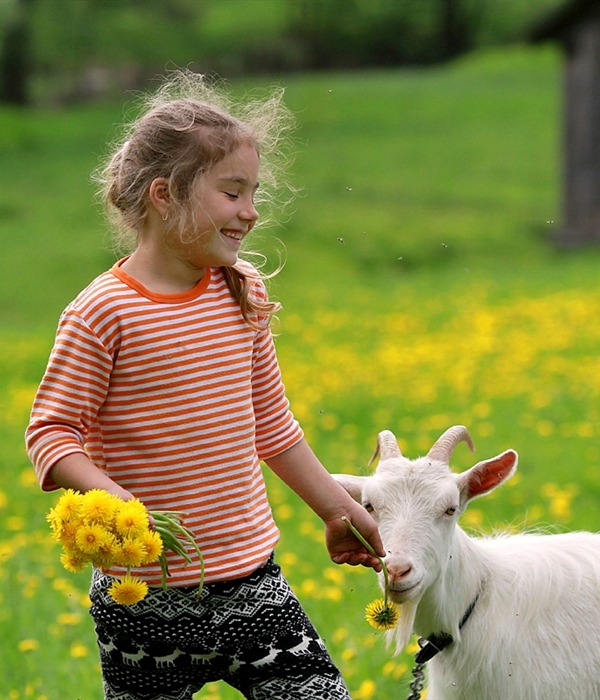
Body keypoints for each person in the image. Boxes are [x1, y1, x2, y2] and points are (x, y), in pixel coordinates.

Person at [25, 71, 384, 700]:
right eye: (232, 192)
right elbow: (51, 434)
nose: (251, 211)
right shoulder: (104, 311)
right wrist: (122, 505)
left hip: (252, 585)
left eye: (253, 192)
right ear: (166, 195)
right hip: (143, 599)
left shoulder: (241, 292)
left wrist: (336, 508)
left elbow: (272, 426)